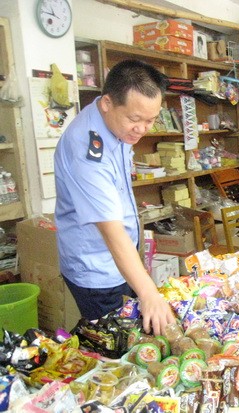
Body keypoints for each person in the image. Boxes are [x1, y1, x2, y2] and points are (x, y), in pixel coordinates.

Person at [54, 60, 176, 336]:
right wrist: (148, 292)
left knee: (132, 331)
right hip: (97, 267)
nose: (143, 129)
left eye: (151, 119)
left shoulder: (113, 124)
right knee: (116, 344)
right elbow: (110, 231)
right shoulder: (87, 149)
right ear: (107, 103)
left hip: (121, 260)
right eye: (135, 119)